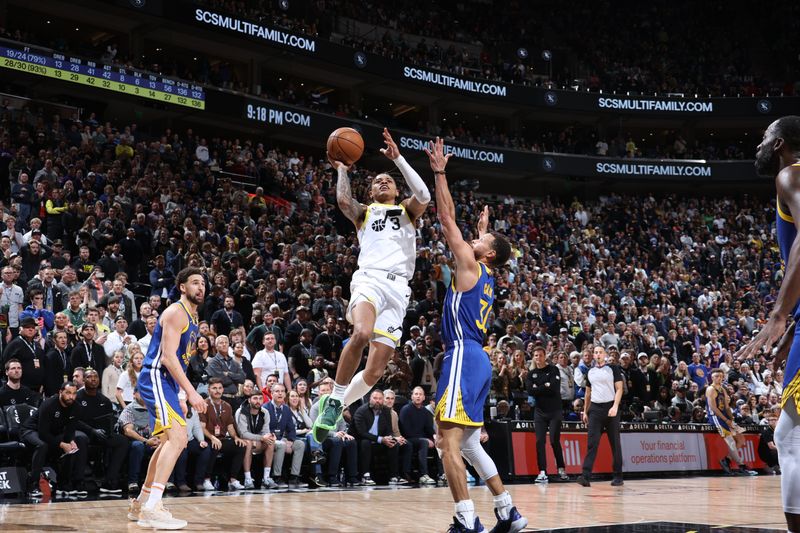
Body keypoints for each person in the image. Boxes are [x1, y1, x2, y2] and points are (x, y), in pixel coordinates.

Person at [425, 137, 524, 533]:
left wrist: (439, 171)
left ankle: (467, 521)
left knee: (446, 442)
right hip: (479, 360)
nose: (472, 239)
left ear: (484, 254)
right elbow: (477, 251)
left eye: (479, 240)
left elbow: (446, 220)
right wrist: (484, 234)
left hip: (463, 354)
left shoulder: (471, 264)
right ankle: (507, 510)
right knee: (467, 445)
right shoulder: (485, 275)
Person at [313, 128, 431, 443]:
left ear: (395, 189)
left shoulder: (407, 211)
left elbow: (424, 196)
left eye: (388, 180)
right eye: (376, 180)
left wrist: (399, 160)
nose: (381, 181)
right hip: (371, 279)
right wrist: (340, 169)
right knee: (362, 333)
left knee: (376, 371)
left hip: (399, 290)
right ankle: (336, 397)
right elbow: (342, 200)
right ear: (371, 192)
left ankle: (335, 407)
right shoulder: (365, 213)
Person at [736, 116, 800, 533]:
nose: (758, 145)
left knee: (791, 437)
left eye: (763, 138)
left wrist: (779, 315)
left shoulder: (791, 174)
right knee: (788, 433)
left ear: (778, 143)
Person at [130, 267, 208, 530]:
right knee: (178, 438)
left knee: (168, 441)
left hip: (169, 383)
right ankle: (152, 508)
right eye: (195, 282)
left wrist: (182, 393)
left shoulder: (194, 317)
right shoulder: (176, 312)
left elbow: (181, 362)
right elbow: (168, 358)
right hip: (156, 376)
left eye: (203, 283)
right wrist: (193, 392)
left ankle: (141, 502)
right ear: (182, 287)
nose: (201, 287)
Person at [20, 381, 89, 496]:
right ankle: (33, 485)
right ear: (60, 392)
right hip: (30, 431)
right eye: (68, 393)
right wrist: (62, 444)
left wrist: (71, 441)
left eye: (74, 393)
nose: (71, 397)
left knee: (76, 442)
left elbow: (70, 430)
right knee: (42, 445)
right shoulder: (49, 404)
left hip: (52, 433)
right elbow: (43, 433)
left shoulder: (76, 407)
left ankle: (65, 484)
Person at [578, 345, 624, 487]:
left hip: (610, 407)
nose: (597, 354)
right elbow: (587, 393)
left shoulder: (613, 369)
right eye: (595, 352)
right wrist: (585, 411)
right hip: (595, 409)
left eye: (600, 352)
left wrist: (615, 406)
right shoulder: (590, 372)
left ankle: (618, 476)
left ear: (605, 354)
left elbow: (619, 388)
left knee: (615, 443)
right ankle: (585, 476)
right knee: (592, 443)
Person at [75, 368, 127, 493]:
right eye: (89, 377)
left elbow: (108, 420)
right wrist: (92, 430)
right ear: (83, 380)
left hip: (100, 433)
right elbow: (74, 421)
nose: (93, 379)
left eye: (95, 377)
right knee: (81, 438)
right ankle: (78, 481)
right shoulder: (77, 397)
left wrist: (107, 431)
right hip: (82, 432)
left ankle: (109, 481)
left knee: (122, 441)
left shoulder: (105, 401)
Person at [526, 346, 568, 483]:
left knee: (554, 441)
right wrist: (545, 385)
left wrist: (538, 388)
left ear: (545, 356)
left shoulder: (553, 369)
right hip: (539, 412)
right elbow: (530, 391)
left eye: (540, 355)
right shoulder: (531, 374)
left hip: (555, 411)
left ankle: (561, 470)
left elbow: (554, 388)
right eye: (536, 355)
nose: (538, 358)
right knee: (539, 441)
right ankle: (542, 472)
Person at [706, 368, 757, 476]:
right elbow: (713, 408)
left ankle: (726, 460)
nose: (718, 378)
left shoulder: (723, 389)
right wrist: (725, 420)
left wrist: (731, 420)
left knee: (741, 439)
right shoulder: (710, 389)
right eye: (716, 376)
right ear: (712, 377)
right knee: (731, 442)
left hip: (725, 417)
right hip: (716, 417)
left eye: (720, 376)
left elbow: (727, 407)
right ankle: (741, 466)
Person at [198, 378, 246, 491]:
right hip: (207, 438)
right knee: (215, 446)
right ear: (209, 390)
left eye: (219, 388)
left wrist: (235, 437)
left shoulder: (227, 406)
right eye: (214, 388)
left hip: (222, 438)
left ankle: (233, 480)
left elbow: (230, 426)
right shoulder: (204, 404)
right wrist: (212, 438)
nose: (217, 391)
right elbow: (202, 427)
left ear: (223, 390)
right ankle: (207, 479)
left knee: (241, 446)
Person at [310, 377, 358, 487]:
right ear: (318, 393)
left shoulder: (336, 407)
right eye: (322, 391)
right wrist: (334, 434)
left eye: (327, 390)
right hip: (321, 439)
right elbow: (314, 428)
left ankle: (352, 477)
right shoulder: (315, 408)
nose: (325, 393)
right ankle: (332, 476)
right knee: (337, 441)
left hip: (337, 436)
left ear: (331, 392)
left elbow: (342, 424)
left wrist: (345, 433)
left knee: (351, 441)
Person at [234, 389, 278, 489]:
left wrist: (269, 436)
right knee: (249, 442)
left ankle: (266, 478)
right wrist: (262, 438)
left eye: (260, 398)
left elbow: (265, 431)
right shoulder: (242, 411)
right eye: (255, 398)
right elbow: (243, 434)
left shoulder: (265, 412)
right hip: (241, 441)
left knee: (270, 441)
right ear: (249, 400)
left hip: (257, 441)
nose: (258, 401)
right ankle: (247, 479)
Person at [266, 383, 306, 488]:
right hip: (268, 439)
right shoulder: (265, 408)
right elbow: (264, 429)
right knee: (281, 445)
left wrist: (291, 440)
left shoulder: (286, 409)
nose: (280, 394)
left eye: (282, 391)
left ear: (285, 394)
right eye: (277, 391)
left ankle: (294, 477)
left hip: (282, 439)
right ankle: (276, 477)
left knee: (300, 444)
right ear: (271, 393)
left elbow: (291, 428)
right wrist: (279, 439)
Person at [399, 386, 437, 485]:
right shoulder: (405, 410)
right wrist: (424, 439)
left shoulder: (426, 412)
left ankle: (441, 474)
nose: (418, 396)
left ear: (424, 397)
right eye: (416, 394)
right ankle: (423, 474)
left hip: (421, 439)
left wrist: (434, 437)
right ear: (412, 396)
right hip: (408, 439)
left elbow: (429, 428)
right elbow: (406, 431)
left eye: (420, 394)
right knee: (423, 442)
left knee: (439, 442)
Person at [173, 399, 213, 492]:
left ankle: (199, 482)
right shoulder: (172, 407)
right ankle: (181, 483)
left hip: (189, 439)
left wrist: (201, 440)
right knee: (182, 453)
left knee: (205, 449)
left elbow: (197, 427)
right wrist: (181, 439)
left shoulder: (192, 410)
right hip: (175, 440)